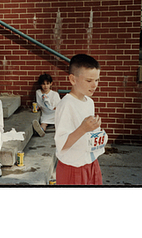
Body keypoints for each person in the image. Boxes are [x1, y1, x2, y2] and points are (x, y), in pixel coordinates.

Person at [54, 54, 108, 185]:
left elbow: (88, 135)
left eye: (97, 80)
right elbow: (62, 145)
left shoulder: (89, 102)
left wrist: (95, 130)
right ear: (73, 79)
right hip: (73, 167)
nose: (94, 85)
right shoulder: (66, 105)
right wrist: (83, 129)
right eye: (89, 81)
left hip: (91, 161)